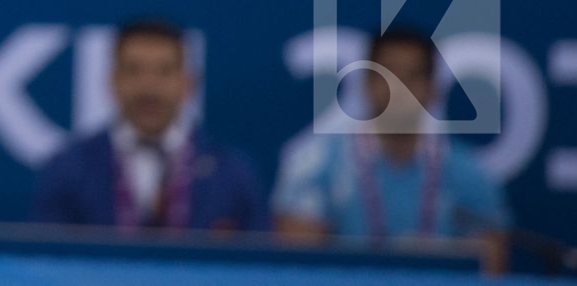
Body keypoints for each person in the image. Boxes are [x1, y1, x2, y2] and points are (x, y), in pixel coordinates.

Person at [273, 27, 511, 270]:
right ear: (366, 83)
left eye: (413, 76)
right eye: (388, 75)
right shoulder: (317, 165)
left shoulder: (469, 173)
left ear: (433, 88)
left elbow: (489, 266)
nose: (399, 88)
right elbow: (299, 260)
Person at [31, 19, 268, 231]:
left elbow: (258, 268)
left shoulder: (231, 173)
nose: (149, 87)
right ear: (113, 80)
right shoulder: (69, 168)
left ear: (188, 83)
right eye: (133, 70)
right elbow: (49, 263)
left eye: (164, 71)